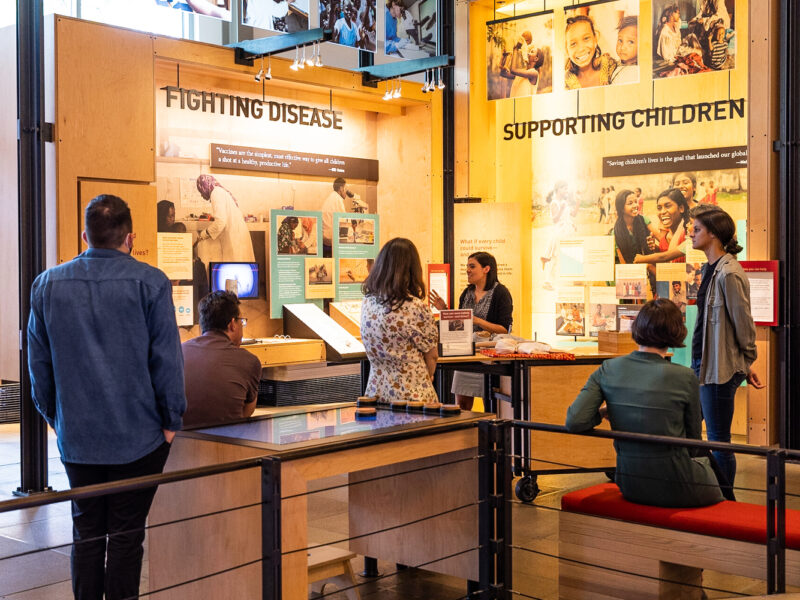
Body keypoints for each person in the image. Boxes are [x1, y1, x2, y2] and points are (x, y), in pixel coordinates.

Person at [27, 194, 185, 600]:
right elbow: (167, 362)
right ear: (130, 237)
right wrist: (171, 424)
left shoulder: (46, 286)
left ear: (85, 235)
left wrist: (59, 420)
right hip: (140, 439)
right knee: (127, 538)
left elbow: (38, 370)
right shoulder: (151, 283)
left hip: (78, 439)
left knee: (87, 535)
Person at [566, 299, 725, 507]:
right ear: (677, 331)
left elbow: (575, 421)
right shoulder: (685, 377)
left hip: (630, 483)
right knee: (715, 471)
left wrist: (606, 411)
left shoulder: (608, 369)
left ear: (637, 327)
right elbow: (692, 442)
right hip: (677, 485)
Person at [688, 205, 764, 489]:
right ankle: (709, 492)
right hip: (704, 364)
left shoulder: (728, 273)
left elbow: (743, 324)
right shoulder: (710, 268)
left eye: (697, 229)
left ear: (714, 234)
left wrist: (745, 362)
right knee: (696, 432)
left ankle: (724, 501)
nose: (691, 234)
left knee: (719, 439)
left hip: (718, 370)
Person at [430, 252, 513, 410]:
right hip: (466, 355)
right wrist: (445, 311)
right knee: (461, 406)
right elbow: (459, 327)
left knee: (491, 406)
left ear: (486, 269)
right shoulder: (466, 293)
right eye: (467, 266)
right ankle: (464, 433)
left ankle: (489, 434)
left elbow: (505, 329)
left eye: (472, 266)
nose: (467, 270)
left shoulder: (501, 293)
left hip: (488, 359)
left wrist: (477, 321)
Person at [360, 237, 439, 404]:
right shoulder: (416, 307)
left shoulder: (367, 303)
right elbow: (432, 356)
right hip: (412, 395)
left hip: (376, 392)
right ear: (412, 270)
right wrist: (429, 375)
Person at [182, 291, 262, 427]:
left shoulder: (179, 351)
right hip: (227, 443)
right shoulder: (249, 361)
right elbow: (246, 412)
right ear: (232, 324)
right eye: (241, 321)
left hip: (179, 443)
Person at [195, 174, 255, 262]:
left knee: (235, 266)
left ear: (204, 187)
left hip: (234, 238)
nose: (201, 195)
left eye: (201, 191)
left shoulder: (215, 193)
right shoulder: (220, 191)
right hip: (237, 235)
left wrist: (203, 234)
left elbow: (220, 222)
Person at [633, 188, 690, 264]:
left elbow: (665, 257)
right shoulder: (664, 239)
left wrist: (642, 259)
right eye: (659, 208)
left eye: (668, 206)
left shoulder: (689, 233)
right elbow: (667, 255)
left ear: (681, 208)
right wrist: (656, 248)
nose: (662, 212)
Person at [564, 15, 617, 89]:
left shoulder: (608, 64)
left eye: (586, 38)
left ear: (595, 39)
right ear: (567, 50)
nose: (581, 49)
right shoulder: (564, 82)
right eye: (573, 44)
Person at [611, 189, 657, 264]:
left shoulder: (644, 220)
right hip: (631, 269)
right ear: (621, 208)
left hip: (649, 264)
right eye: (630, 203)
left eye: (636, 202)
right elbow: (623, 263)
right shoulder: (617, 232)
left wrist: (653, 245)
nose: (636, 205)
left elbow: (661, 239)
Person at [322, 177, 348, 257]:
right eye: (345, 188)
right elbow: (344, 221)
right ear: (341, 188)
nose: (346, 192)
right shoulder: (337, 199)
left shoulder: (330, 197)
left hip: (324, 238)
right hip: (330, 239)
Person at [610, 16, 638, 85]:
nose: (622, 47)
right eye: (620, 40)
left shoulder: (636, 72)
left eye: (630, 42)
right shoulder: (614, 64)